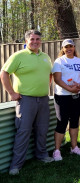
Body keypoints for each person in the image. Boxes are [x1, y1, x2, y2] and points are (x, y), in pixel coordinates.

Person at [0, 30, 54, 175]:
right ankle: (16, 165)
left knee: (42, 130)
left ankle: (41, 155)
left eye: (38, 39)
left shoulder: (45, 57)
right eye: (32, 39)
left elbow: (49, 73)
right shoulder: (18, 56)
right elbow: (4, 73)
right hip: (25, 100)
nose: (35, 41)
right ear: (26, 41)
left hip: (43, 99)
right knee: (23, 132)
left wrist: (46, 87)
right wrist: (11, 93)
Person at [52, 39, 80, 161]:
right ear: (62, 49)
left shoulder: (79, 61)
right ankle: (57, 150)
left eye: (70, 46)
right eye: (66, 47)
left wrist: (79, 87)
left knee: (75, 120)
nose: (68, 49)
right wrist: (69, 88)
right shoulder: (59, 61)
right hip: (63, 96)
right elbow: (57, 79)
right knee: (62, 122)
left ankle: (74, 147)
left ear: (74, 47)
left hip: (78, 95)